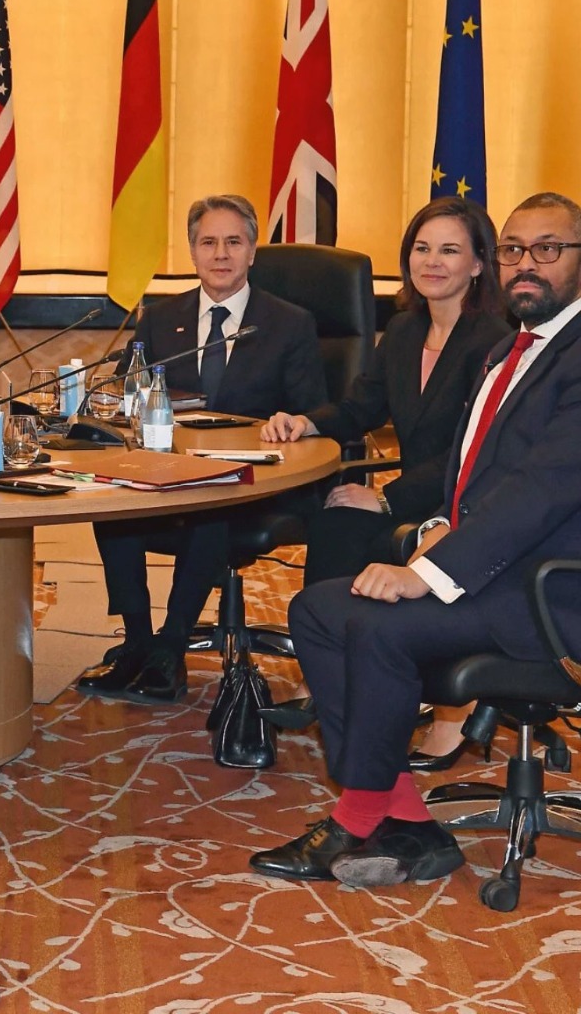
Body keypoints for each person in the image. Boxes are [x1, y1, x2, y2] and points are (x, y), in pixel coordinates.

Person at [249, 192, 581, 888]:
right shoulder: (512, 348)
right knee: (319, 609)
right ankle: (406, 818)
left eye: (547, 249)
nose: (526, 264)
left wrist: (428, 571)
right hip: (494, 568)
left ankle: (357, 817)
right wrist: (437, 531)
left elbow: (541, 489)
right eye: (515, 249)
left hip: (549, 591)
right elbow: (475, 471)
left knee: (376, 627)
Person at [260, 197, 508, 761]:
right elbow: (361, 407)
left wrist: (388, 498)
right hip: (416, 497)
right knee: (335, 520)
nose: (432, 261)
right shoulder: (403, 328)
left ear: (478, 263)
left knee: (378, 527)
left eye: (450, 250)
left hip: (468, 504)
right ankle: (327, 673)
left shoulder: (493, 340)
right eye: (422, 248)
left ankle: (452, 712)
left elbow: (469, 452)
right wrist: (305, 422)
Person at [76, 194, 327, 705]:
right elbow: (126, 397)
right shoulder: (160, 319)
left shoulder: (289, 322)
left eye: (233, 242)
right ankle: (137, 642)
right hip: (169, 472)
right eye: (208, 242)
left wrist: (291, 423)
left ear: (252, 251)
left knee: (212, 505)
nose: (221, 254)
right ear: (192, 252)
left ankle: (171, 647)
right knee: (113, 501)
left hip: (255, 486)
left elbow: (313, 410)